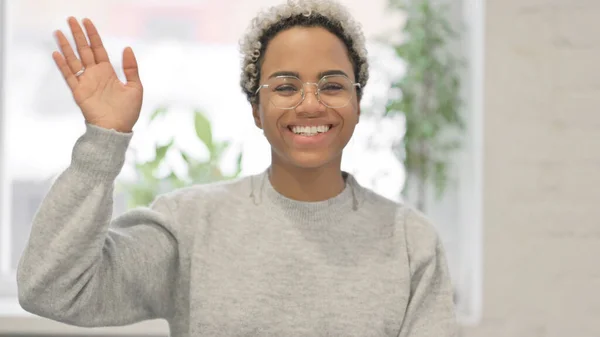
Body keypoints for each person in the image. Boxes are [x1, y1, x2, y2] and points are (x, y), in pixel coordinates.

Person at [16, 0, 458, 336]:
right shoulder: (191, 226)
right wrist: (102, 142)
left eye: (333, 84)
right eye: (285, 86)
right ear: (256, 109)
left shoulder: (409, 241)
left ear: (358, 104)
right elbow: (51, 288)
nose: (309, 103)